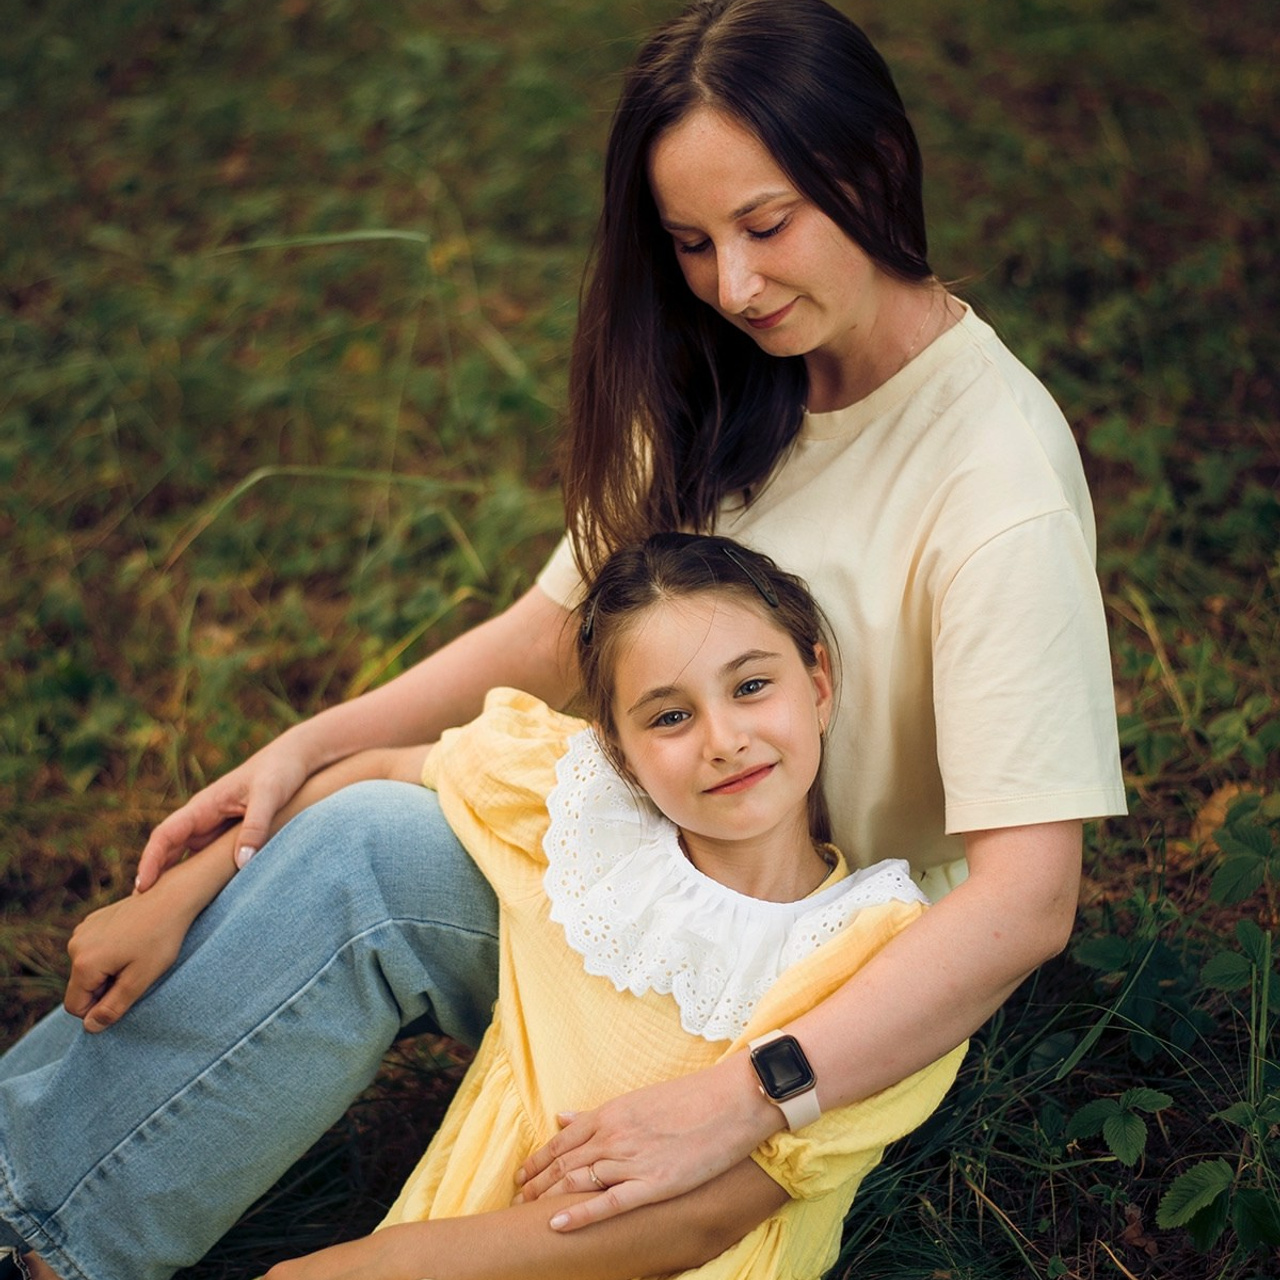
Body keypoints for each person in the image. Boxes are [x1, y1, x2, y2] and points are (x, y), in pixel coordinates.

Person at [0, 1, 1126, 1277]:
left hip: (816, 984)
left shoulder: (993, 475)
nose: (735, 285)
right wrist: (295, 755)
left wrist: (744, 1095)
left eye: (766, 226)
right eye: (692, 244)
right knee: (363, 841)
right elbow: (549, 633)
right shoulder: (720, 370)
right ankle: (35, 1230)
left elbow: (1026, 899)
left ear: (870, 164)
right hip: (634, 861)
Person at [248, 533, 965, 1280]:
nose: (724, 741)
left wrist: (378, 1266)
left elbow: (705, 1223)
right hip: (467, 1231)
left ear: (818, 685)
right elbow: (373, 773)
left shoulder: (885, 958)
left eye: (751, 687)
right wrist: (171, 902)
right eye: (668, 717)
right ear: (618, 750)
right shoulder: (583, 823)